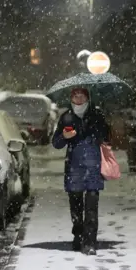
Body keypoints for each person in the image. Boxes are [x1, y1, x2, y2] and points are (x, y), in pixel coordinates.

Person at [52, 87, 110, 255]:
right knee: (76, 205)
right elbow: (56, 143)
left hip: (92, 165)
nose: (78, 99)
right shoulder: (67, 117)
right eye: (75, 96)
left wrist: (97, 129)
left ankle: (90, 241)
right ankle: (78, 235)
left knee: (91, 206)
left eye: (82, 96)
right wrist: (64, 137)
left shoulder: (97, 115)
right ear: (71, 99)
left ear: (87, 98)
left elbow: (107, 136)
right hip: (74, 166)